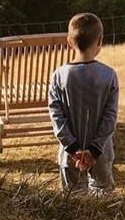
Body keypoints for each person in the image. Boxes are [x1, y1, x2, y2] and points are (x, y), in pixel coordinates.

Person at [47, 12, 119, 195]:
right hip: (101, 152)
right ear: (100, 40)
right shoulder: (108, 75)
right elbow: (110, 117)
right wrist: (94, 149)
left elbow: (56, 116)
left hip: (69, 154)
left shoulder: (59, 76)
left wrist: (72, 147)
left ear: (69, 42)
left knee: (73, 200)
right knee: (103, 197)